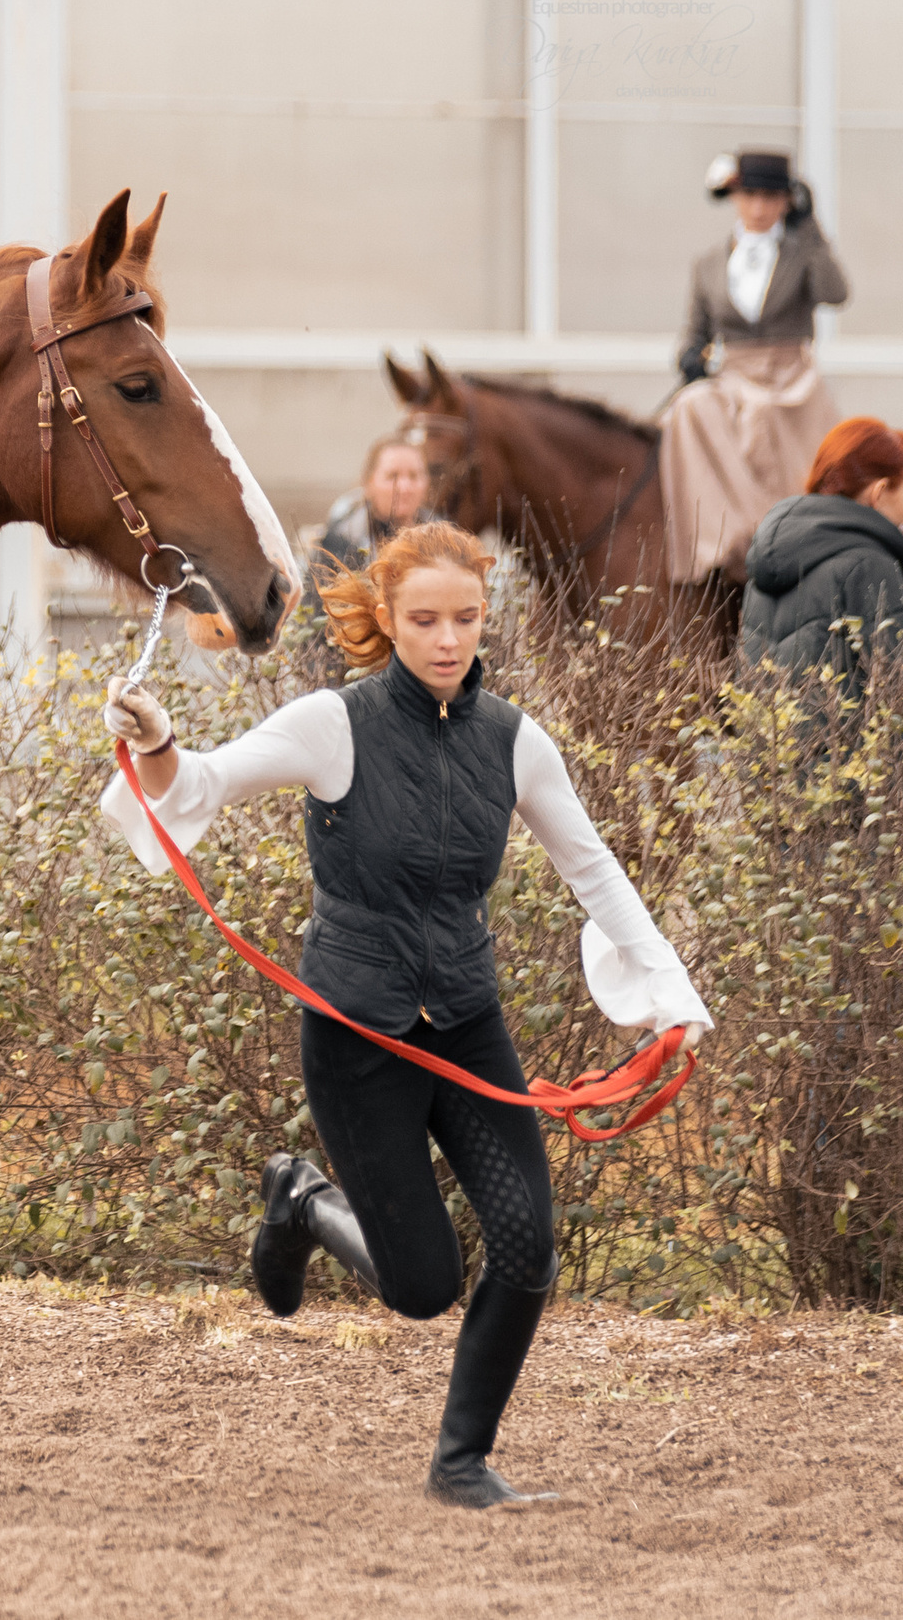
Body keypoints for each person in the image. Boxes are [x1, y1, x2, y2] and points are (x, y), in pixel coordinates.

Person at [98, 522, 711, 1509]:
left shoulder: (515, 740)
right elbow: (199, 782)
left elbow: (589, 865)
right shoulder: (329, 724)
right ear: (386, 618)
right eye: (424, 618)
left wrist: (670, 997)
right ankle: (299, 1200)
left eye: (464, 618)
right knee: (421, 1284)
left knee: (525, 1248)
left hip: (466, 1020)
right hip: (358, 1034)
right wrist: (160, 740)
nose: (446, 638)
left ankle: (461, 1461)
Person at [659, 147, 851, 587]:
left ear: (787, 202)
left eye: (770, 198)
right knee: (688, 409)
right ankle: (722, 544)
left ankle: (791, 538)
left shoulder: (801, 253)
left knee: (762, 415)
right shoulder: (708, 263)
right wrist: (689, 356)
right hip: (734, 374)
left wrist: (812, 231)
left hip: (791, 378)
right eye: (750, 196)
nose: (759, 208)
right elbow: (696, 331)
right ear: (735, 198)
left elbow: (836, 293)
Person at [742, 417, 903, 709]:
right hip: (843, 754)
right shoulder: (870, 567)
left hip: (764, 751)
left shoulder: (764, 564)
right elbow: (895, 694)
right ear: (879, 492)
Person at [307, 436, 439, 608]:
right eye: (393, 476)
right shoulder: (339, 542)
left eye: (414, 476)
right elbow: (318, 613)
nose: (405, 487)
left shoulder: (444, 540)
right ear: (369, 483)